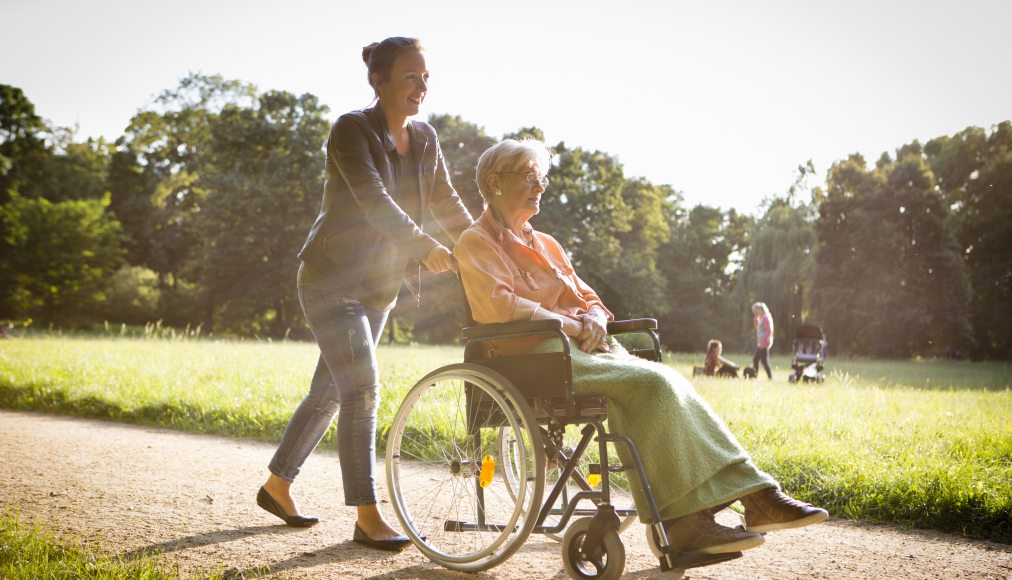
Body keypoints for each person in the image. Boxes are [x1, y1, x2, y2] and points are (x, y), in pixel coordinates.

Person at [454, 138, 827, 557]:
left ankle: (743, 499)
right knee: (652, 384)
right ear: (494, 182)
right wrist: (575, 325)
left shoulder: (547, 244)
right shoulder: (475, 242)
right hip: (529, 355)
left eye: (542, 177)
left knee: (664, 379)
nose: (540, 186)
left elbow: (589, 298)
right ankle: (702, 516)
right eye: (529, 176)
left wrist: (593, 317)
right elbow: (500, 306)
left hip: (575, 347)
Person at [257, 37, 473, 551]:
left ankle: (276, 485)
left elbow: (447, 200)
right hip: (331, 280)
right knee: (362, 392)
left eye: (425, 77)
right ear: (378, 81)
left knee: (330, 391)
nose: (422, 86)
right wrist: (423, 246)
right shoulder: (351, 130)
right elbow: (374, 199)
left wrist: (487, 244)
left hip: (378, 288)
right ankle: (367, 514)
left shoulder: (425, 138)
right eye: (410, 77)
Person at [751, 302, 774, 380]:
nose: (754, 312)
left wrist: (763, 341)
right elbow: (759, 329)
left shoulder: (765, 317)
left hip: (763, 343)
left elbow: (769, 330)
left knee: (758, 360)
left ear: (760, 309)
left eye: (755, 311)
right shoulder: (762, 317)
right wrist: (755, 321)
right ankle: (767, 377)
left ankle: (756, 376)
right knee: (761, 360)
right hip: (761, 342)